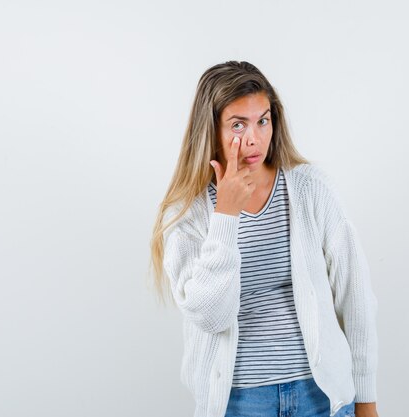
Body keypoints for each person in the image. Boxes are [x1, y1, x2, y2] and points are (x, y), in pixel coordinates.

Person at [149, 61, 379, 417]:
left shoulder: (309, 189)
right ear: (210, 130)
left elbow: (356, 296)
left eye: (263, 120)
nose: (254, 138)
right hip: (240, 402)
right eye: (238, 124)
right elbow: (211, 316)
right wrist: (225, 215)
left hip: (320, 395)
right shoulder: (187, 213)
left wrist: (366, 399)